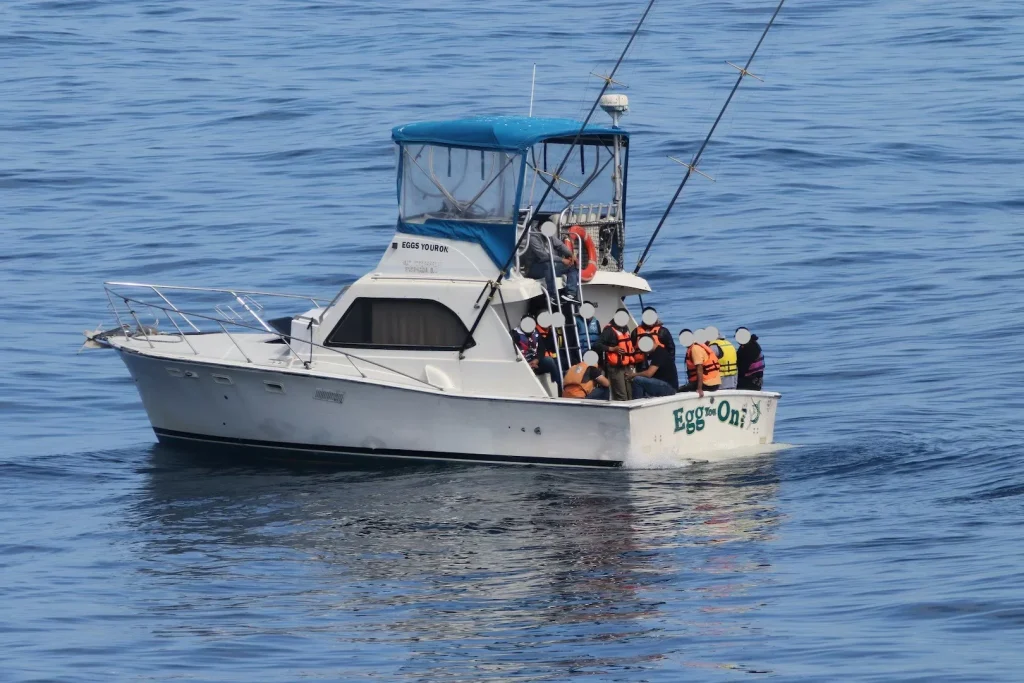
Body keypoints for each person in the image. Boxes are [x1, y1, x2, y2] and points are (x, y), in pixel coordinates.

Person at [522, 224, 580, 304]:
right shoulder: (533, 238)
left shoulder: (549, 235)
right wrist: (562, 260)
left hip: (549, 267)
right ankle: (552, 296)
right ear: (540, 228)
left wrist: (571, 255)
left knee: (572, 265)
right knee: (548, 264)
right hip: (533, 269)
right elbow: (543, 256)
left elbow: (560, 246)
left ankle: (570, 294)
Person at [597, 308, 636, 401]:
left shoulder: (625, 328)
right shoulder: (609, 330)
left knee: (630, 392)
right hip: (615, 368)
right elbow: (597, 345)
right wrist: (612, 349)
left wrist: (631, 363)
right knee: (621, 394)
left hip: (627, 366)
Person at [512, 321, 560, 392]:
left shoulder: (535, 332)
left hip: (535, 362)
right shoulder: (514, 334)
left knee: (550, 361)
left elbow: (541, 349)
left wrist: (537, 360)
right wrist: (526, 364)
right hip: (522, 364)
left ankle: (558, 386)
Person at [632, 327, 678, 398]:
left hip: (669, 387)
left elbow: (649, 374)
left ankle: (637, 401)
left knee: (637, 380)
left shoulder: (659, 352)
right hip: (663, 384)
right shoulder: (654, 353)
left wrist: (633, 375)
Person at [679, 330, 721, 397]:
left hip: (707, 383)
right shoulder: (698, 346)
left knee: (678, 391)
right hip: (713, 383)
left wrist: (699, 389)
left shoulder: (695, 349)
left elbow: (699, 368)